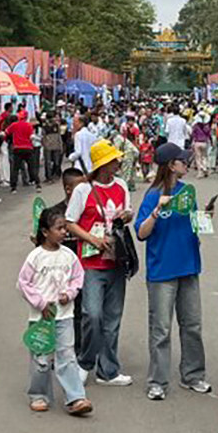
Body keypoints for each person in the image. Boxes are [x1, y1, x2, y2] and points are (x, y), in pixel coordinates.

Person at [134, 142, 210, 400]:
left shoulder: (188, 192)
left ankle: (193, 375)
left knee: (192, 325)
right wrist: (157, 211)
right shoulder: (153, 195)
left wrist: (203, 218)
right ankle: (157, 381)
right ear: (170, 165)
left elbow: (194, 226)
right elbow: (141, 233)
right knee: (161, 328)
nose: (186, 164)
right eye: (182, 160)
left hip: (188, 266)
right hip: (162, 270)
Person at [67, 140, 135, 384]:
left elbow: (128, 212)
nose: (119, 162)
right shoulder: (83, 190)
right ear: (104, 164)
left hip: (116, 258)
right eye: (114, 159)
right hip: (90, 262)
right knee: (92, 314)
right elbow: (69, 222)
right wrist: (93, 240)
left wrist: (127, 215)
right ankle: (85, 360)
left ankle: (108, 370)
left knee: (112, 317)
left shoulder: (122, 185)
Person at [20, 204, 92, 414]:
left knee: (67, 355)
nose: (64, 232)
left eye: (64, 228)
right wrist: (41, 303)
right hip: (41, 318)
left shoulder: (69, 255)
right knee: (41, 357)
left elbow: (78, 278)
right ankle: (39, 394)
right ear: (45, 232)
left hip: (64, 315)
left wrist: (69, 294)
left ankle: (76, 397)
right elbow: (23, 283)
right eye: (59, 228)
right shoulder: (35, 257)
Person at [7, 107, 40, 191]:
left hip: (17, 148)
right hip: (28, 148)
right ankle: (37, 184)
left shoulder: (14, 125)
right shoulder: (29, 125)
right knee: (32, 167)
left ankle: (13, 187)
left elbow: (6, 132)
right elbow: (31, 136)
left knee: (15, 169)